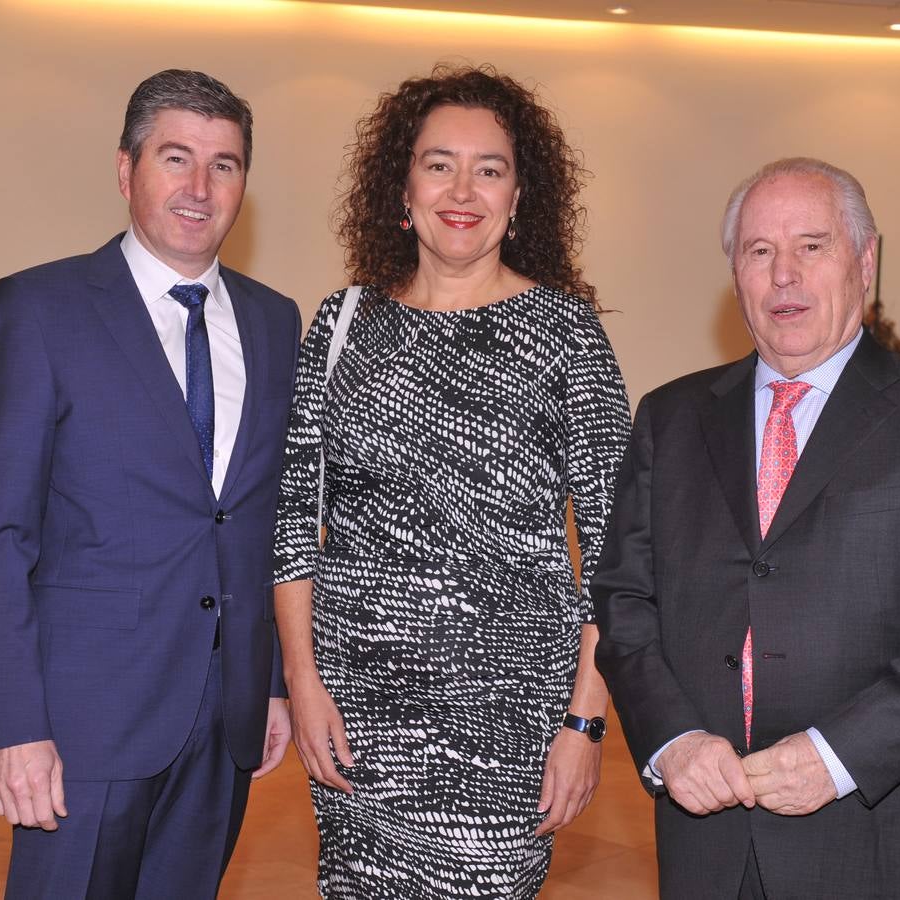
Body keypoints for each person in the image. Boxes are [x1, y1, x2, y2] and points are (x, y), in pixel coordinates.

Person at [593, 157, 900, 899]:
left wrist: (835, 756)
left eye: (811, 245)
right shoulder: (670, 417)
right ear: (735, 277)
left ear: (864, 261)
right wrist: (670, 741)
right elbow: (624, 600)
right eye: (758, 251)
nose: (783, 275)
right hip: (708, 827)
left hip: (881, 829)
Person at [272, 64, 631, 898]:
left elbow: (619, 551)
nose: (461, 188)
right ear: (401, 187)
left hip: (508, 721)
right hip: (354, 704)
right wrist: (302, 680)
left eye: (489, 168)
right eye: (438, 164)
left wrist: (585, 720)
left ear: (518, 197)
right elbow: (293, 516)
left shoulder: (566, 334)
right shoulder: (343, 322)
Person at [0, 69, 299, 898]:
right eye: (175, 158)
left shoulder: (275, 320)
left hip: (225, 715)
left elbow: (264, 521)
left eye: (224, 164)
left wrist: (275, 683)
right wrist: (14, 726)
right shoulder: (38, 309)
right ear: (125, 170)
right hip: (81, 722)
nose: (199, 186)